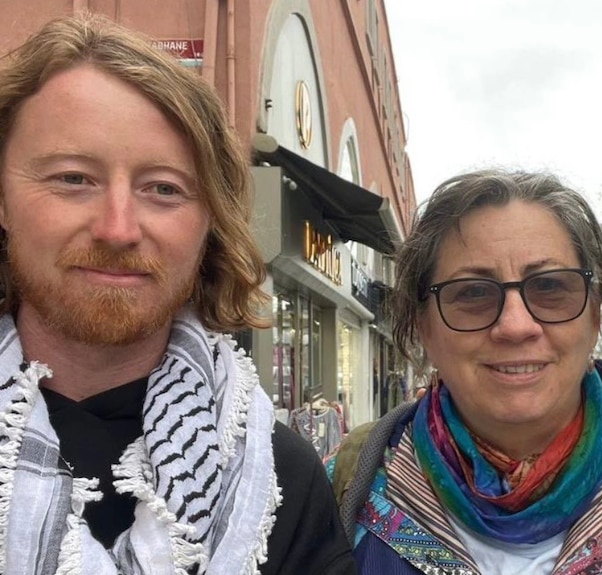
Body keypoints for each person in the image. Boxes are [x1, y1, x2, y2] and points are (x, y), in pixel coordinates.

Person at [0, 13, 355, 574]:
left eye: (163, 189)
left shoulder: (281, 476)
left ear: (208, 222)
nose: (118, 228)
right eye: (73, 178)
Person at [327, 169, 602, 574]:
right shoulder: (344, 489)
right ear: (423, 327)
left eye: (551, 287)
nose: (516, 326)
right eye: (472, 293)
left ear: (594, 314)